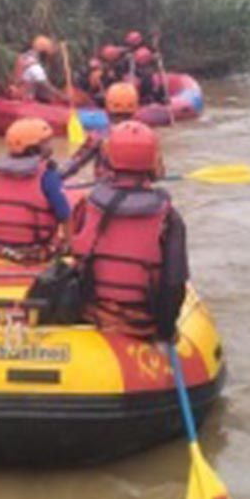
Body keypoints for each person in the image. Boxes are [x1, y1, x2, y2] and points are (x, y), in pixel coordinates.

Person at [70, 121, 187, 340]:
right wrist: (167, 332)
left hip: (91, 315)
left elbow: (75, 256)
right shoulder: (169, 218)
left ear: (110, 158)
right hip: (141, 322)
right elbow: (174, 285)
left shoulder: (86, 205)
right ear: (153, 160)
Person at [0, 117, 72, 262]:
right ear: (34, 148)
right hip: (33, 250)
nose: (50, 146)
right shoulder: (48, 176)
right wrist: (70, 245)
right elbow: (65, 216)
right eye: (46, 143)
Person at [60, 82, 139, 180]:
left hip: (106, 188)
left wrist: (53, 178)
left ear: (107, 107)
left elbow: (74, 163)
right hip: (140, 189)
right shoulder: (147, 136)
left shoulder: (99, 136)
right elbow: (158, 174)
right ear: (136, 108)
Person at [10, 35, 67, 103]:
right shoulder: (35, 67)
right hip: (24, 99)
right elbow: (46, 86)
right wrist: (62, 95)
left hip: (20, 94)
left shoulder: (23, 57)